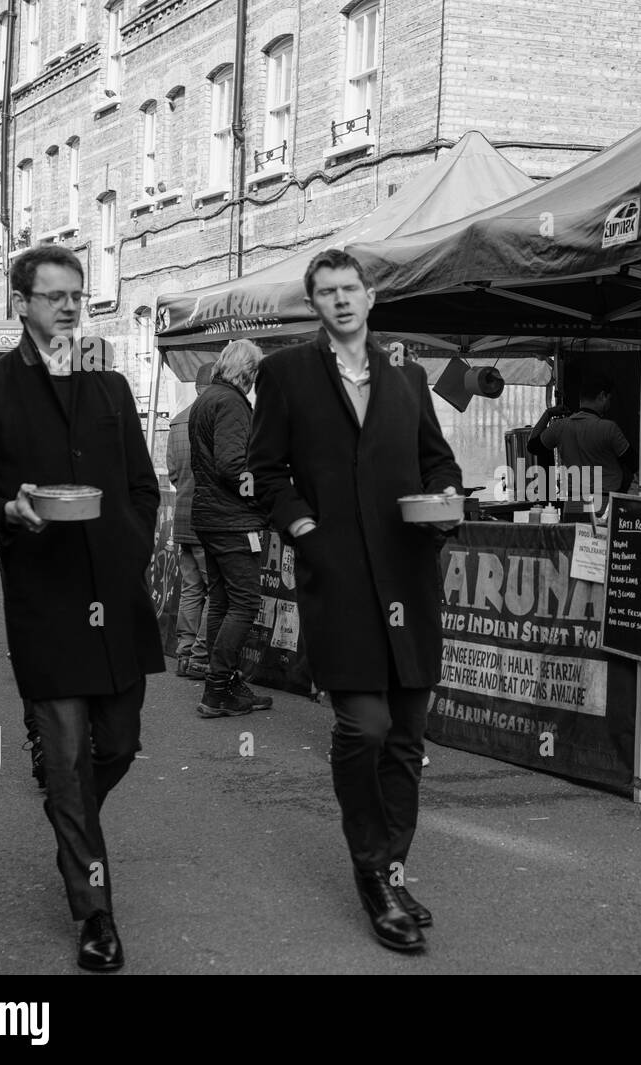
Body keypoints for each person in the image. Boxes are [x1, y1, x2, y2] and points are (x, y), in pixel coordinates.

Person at [0, 245, 164, 972]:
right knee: (67, 758)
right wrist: (7, 511)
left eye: (76, 294)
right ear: (22, 304)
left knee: (119, 744)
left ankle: (71, 814)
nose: (68, 306)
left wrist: (133, 549)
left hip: (116, 593)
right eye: (52, 296)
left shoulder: (108, 389)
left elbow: (142, 486)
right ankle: (94, 910)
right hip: (46, 598)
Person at [248, 248, 462, 954]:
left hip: (408, 574)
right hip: (338, 576)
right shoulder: (285, 373)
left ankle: (394, 869)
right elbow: (265, 470)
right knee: (364, 727)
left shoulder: (406, 372)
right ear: (315, 303)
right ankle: (371, 874)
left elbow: (438, 459)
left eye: (351, 289)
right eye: (327, 292)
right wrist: (305, 528)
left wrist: (445, 504)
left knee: (406, 735)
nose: (341, 301)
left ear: (371, 298)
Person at [188, 339, 272, 718]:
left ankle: (222, 684)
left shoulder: (206, 399)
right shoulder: (232, 403)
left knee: (222, 601)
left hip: (209, 517)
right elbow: (232, 464)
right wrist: (262, 498)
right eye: (255, 374)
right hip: (233, 520)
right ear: (248, 372)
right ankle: (218, 687)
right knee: (245, 602)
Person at [167, 363, 214, 680]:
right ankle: (200, 653)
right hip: (209, 518)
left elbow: (172, 472)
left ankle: (184, 652)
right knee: (217, 590)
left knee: (191, 590)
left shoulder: (176, 421)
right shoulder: (216, 417)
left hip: (182, 516)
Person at [527, 371, 636, 510]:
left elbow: (532, 446)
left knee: (572, 532)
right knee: (599, 533)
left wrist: (548, 414)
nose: (609, 403)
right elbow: (633, 464)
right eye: (609, 399)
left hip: (573, 503)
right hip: (604, 504)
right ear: (602, 396)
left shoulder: (560, 427)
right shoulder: (609, 428)